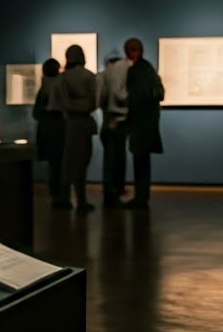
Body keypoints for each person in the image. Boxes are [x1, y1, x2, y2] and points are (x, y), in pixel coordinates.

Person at [123, 37, 164, 210]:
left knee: (140, 159)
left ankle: (141, 197)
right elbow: (159, 94)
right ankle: (142, 196)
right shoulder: (148, 69)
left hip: (140, 121)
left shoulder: (135, 71)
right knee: (143, 160)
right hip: (149, 120)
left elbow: (135, 98)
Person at [58, 43, 98, 213]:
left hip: (70, 123)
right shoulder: (89, 76)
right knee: (82, 162)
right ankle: (81, 201)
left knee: (68, 162)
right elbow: (94, 102)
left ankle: (64, 199)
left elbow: (62, 102)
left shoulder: (63, 78)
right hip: (84, 123)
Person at [96, 49, 131, 208]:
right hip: (113, 121)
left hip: (110, 121)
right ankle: (112, 194)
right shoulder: (111, 75)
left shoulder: (102, 76)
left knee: (113, 159)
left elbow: (99, 99)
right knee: (115, 159)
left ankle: (113, 193)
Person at [32, 57, 67, 208]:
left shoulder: (45, 88)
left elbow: (36, 113)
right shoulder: (62, 85)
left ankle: (56, 195)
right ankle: (60, 196)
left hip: (48, 127)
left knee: (55, 165)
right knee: (60, 164)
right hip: (60, 127)